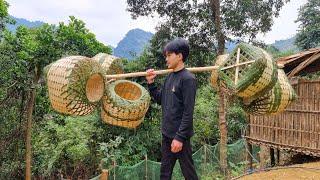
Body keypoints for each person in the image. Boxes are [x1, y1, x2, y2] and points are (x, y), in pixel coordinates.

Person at [146, 38, 198, 180]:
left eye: (169, 55)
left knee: (189, 174)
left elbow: (188, 112)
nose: (166, 59)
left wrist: (179, 138)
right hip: (167, 135)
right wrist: (151, 84)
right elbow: (160, 99)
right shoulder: (170, 77)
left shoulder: (188, 79)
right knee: (164, 174)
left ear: (180, 56)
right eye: (166, 56)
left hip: (180, 137)